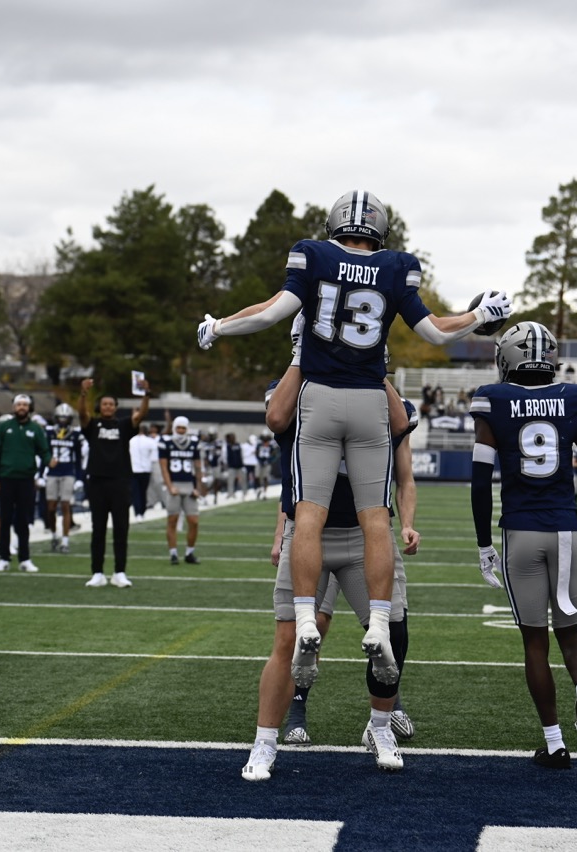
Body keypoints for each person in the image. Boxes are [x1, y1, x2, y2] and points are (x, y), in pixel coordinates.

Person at [197, 189, 510, 692]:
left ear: (334, 224)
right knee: (375, 520)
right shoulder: (397, 266)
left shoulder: (314, 255)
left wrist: (221, 325)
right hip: (369, 397)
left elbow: (274, 311)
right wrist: (478, 314)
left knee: (308, 514)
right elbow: (432, 332)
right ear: (380, 230)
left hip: (319, 396)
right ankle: (380, 622)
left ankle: (304, 618)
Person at [242, 349, 418, 781]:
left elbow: (401, 425)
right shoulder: (297, 390)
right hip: (308, 535)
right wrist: (306, 356)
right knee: (289, 638)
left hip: (365, 538)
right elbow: (277, 419)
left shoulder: (378, 396)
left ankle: (379, 728)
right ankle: (265, 741)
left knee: (393, 631)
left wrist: (372, 371)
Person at [468, 321, 577, 769]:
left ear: (508, 357)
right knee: (571, 634)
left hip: (519, 531)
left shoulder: (492, 400)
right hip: (564, 529)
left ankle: (554, 743)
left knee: (535, 643)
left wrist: (482, 545)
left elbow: (480, 482)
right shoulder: (573, 397)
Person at [78, 376, 148, 587]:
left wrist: (146, 394)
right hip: (97, 482)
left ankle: (119, 572)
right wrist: (83, 394)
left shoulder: (124, 424)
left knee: (121, 529)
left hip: (120, 482)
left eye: (111, 404)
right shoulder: (93, 424)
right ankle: (97, 572)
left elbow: (141, 415)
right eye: (104, 403)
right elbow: (81, 414)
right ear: (100, 406)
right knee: (97, 529)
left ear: (116, 407)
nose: (107, 406)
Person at [0, 394, 50, 573]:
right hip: (6, 479)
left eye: (25, 404)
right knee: (5, 518)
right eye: (19, 404)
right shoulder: (4, 427)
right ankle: (4, 558)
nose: (21, 407)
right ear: (14, 407)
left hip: (26, 480)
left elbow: (44, 450)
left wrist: (50, 461)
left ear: (30, 407)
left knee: (23, 521)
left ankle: (25, 558)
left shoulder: (35, 428)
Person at [159, 415, 202, 565]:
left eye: (183, 427)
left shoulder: (194, 443)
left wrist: (198, 487)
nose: (181, 430)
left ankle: (189, 552)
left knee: (194, 521)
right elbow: (163, 467)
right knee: (172, 520)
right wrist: (169, 486)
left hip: (189, 487)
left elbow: (197, 466)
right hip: (174, 485)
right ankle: (173, 554)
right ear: (174, 428)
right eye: (178, 427)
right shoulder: (166, 442)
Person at [44, 403, 85, 554]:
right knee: (51, 508)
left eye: (65, 417)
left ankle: (65, 541)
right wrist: (42, 471)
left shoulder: (75, 435)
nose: (62, 420)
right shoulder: (49, 433)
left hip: (68, 473)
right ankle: (54, 535)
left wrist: (80, 478)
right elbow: (44, 453)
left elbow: (79, 459)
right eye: (60, 417)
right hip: (52, 473)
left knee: (66, 506)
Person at [128, 423, 158, 518]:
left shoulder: (131, 441)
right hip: (145, 470)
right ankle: (141, 511)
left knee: (136, 492)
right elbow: (154, 456)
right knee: (143, 491)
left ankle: (138, 512)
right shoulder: (150, 441)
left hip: (134, 469)